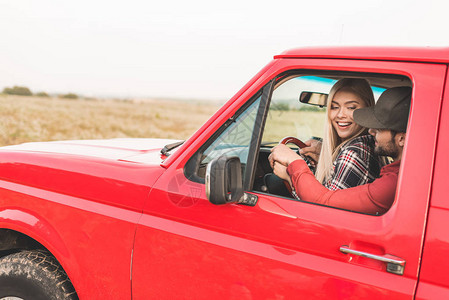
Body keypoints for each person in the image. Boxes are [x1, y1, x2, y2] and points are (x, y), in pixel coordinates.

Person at [269, 86, 412, 215]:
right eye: (334, 106)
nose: (371, 131)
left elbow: (324, 207)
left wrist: (293, 166)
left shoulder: (391, 184)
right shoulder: (399, 171)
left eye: (379, 129)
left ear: (402, 139)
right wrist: (329, 157)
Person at [300, 78, 381, 191]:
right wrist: (326, 154)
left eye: (351, 107)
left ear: (368, 109)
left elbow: (322, 206)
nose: (340, 115)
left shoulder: (353, 153)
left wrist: (293, 173)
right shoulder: (367, 145)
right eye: (334, 107)